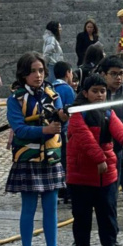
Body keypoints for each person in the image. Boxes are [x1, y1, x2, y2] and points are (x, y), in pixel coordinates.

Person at [6, 52, 78, 246]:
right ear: (23, 74)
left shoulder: (53, 94)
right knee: (28, 209)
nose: (37, 75)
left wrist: (62, 120)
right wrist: (44, 130)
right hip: (28, 159)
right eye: (32, 71)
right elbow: (19, 129)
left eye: (40, 71)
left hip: (51, 158)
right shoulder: (15, 99)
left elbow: (60, 127)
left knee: (51, 209)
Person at [66, 73, 123, 246]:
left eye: (102, 91)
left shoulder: (108, 112)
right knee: (82, 214)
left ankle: (109, 244)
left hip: (106, 175)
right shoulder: (77, 114)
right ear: (86, 93)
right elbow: (84, 139)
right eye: (95, 91)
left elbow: (118, 127)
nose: (99, 95)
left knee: (108, 211)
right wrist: (99, 159)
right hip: (81, 174)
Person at [99, 55, 123, 206]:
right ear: (104, 75)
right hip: (99, 144)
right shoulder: (98, 93)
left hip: (117, 146)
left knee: (117, 175)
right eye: (113, 74)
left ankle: (113, 203)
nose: (118, 78)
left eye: (121, 73)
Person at [53, 61, 76, 203]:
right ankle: (67, 190)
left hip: (52, 131)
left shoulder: (50, 88)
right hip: (65, 130)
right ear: (68, 73)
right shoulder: (68, 90)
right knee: (66, 161)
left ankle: (58, 189)